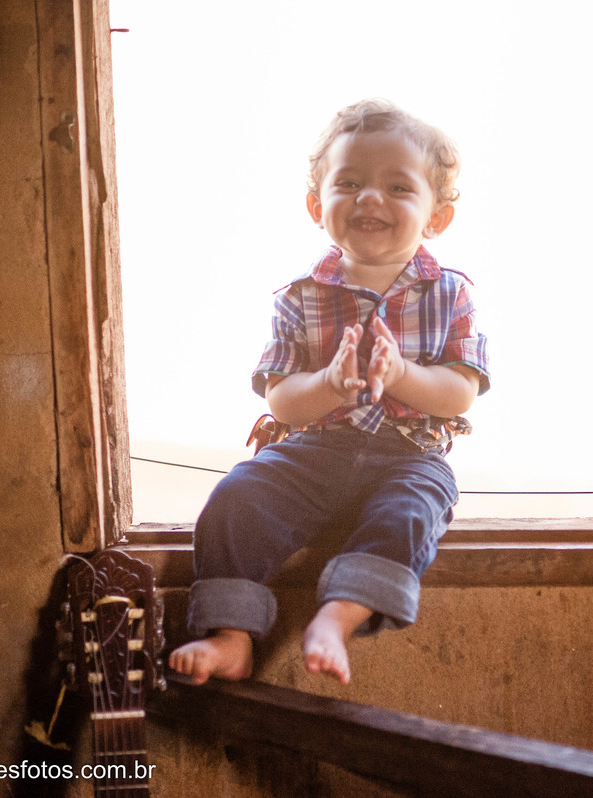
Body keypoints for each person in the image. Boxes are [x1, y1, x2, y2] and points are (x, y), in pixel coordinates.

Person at [168, 99, 489, 686]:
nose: (370, 198)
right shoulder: (297, 297)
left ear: (435, 218)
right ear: (318, 206)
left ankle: (336, 620)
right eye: (349, 183)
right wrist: (329, 385)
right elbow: (282, 400)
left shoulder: (451, 295)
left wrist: (401, 377)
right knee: (237, 497)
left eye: (397, 186)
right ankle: (231, 635)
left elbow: (459, 393)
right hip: (314, 454)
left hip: (408, 456)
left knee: (412, 511)